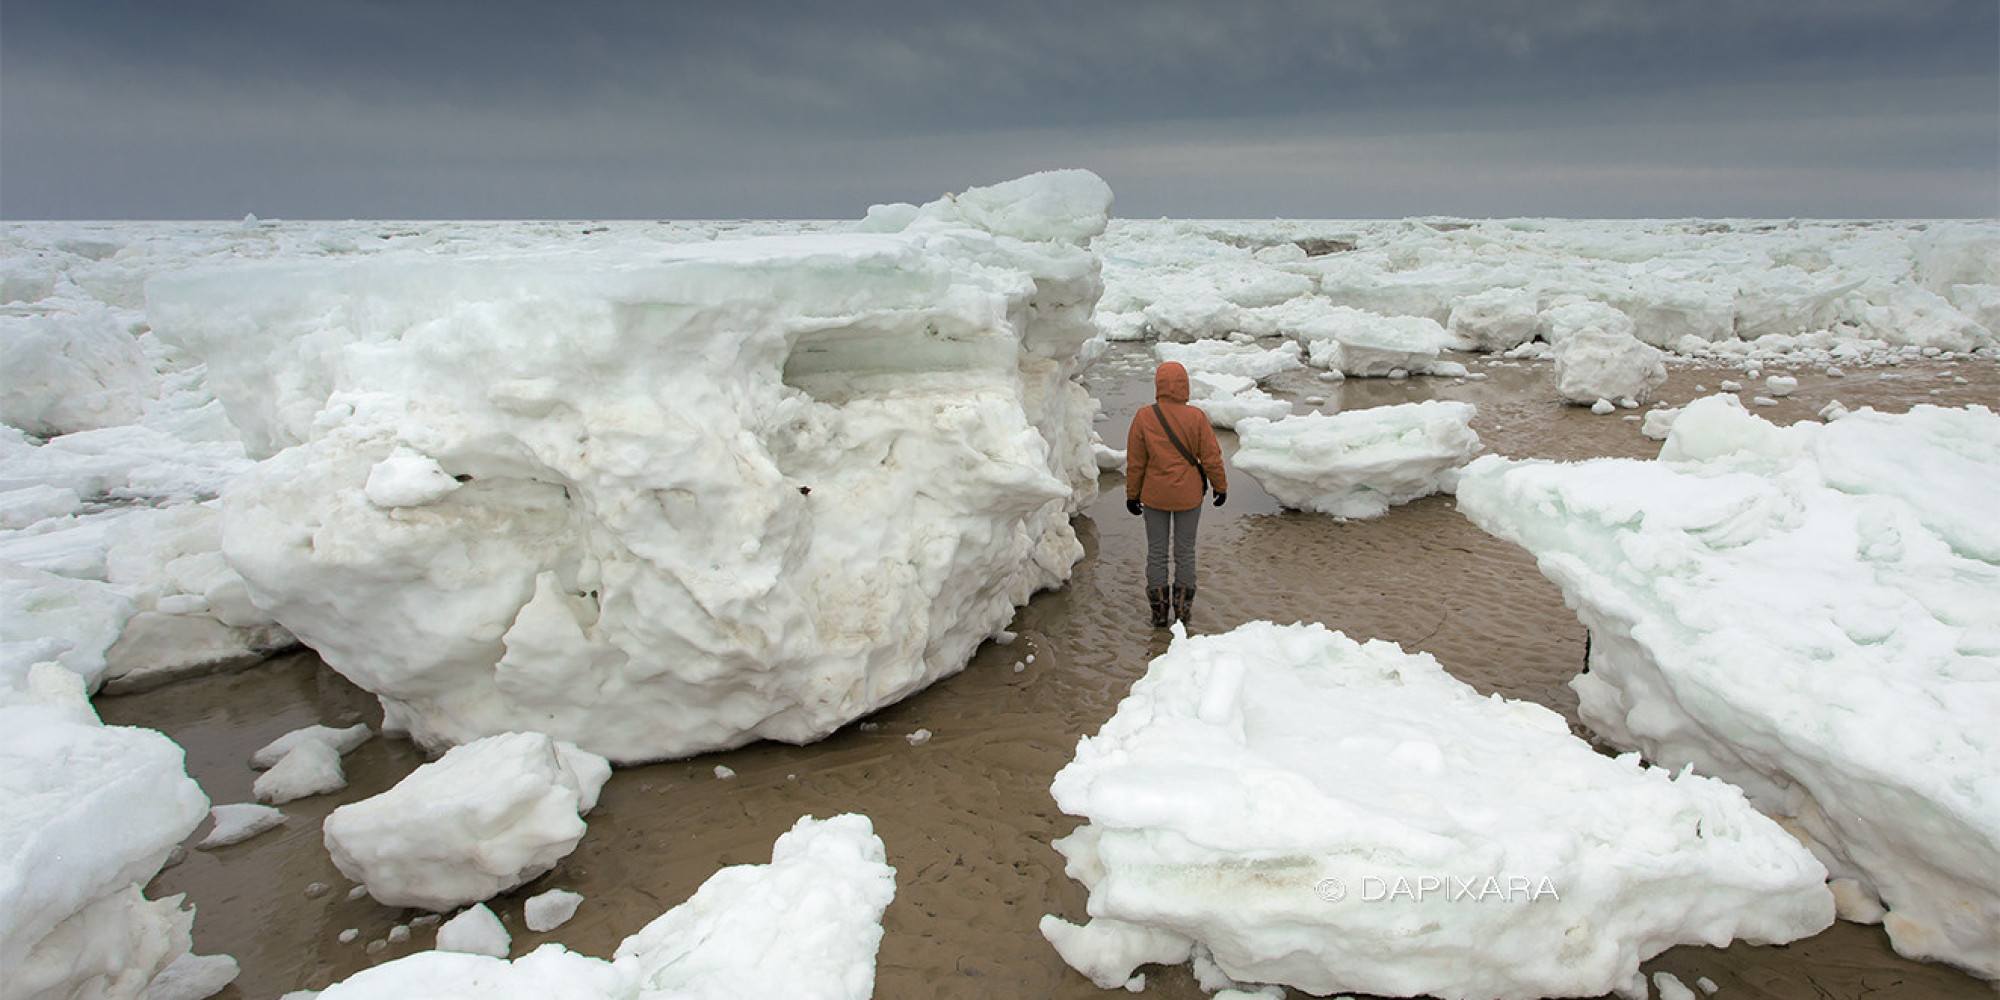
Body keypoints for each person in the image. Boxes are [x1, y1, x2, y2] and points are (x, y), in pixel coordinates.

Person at [1125, 361, 1227, 627]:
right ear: (1185, 386)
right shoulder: (1196, 417)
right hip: (1188, 495)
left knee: (1157, 553)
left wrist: (1132, 494)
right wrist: (1220, 487)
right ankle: (1182, 613)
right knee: (1185, 552)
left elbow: (1136, 462)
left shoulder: (1144, 416)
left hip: (1155, 495)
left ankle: (1159, 615)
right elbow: (1211, 458)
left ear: (1158, 385)